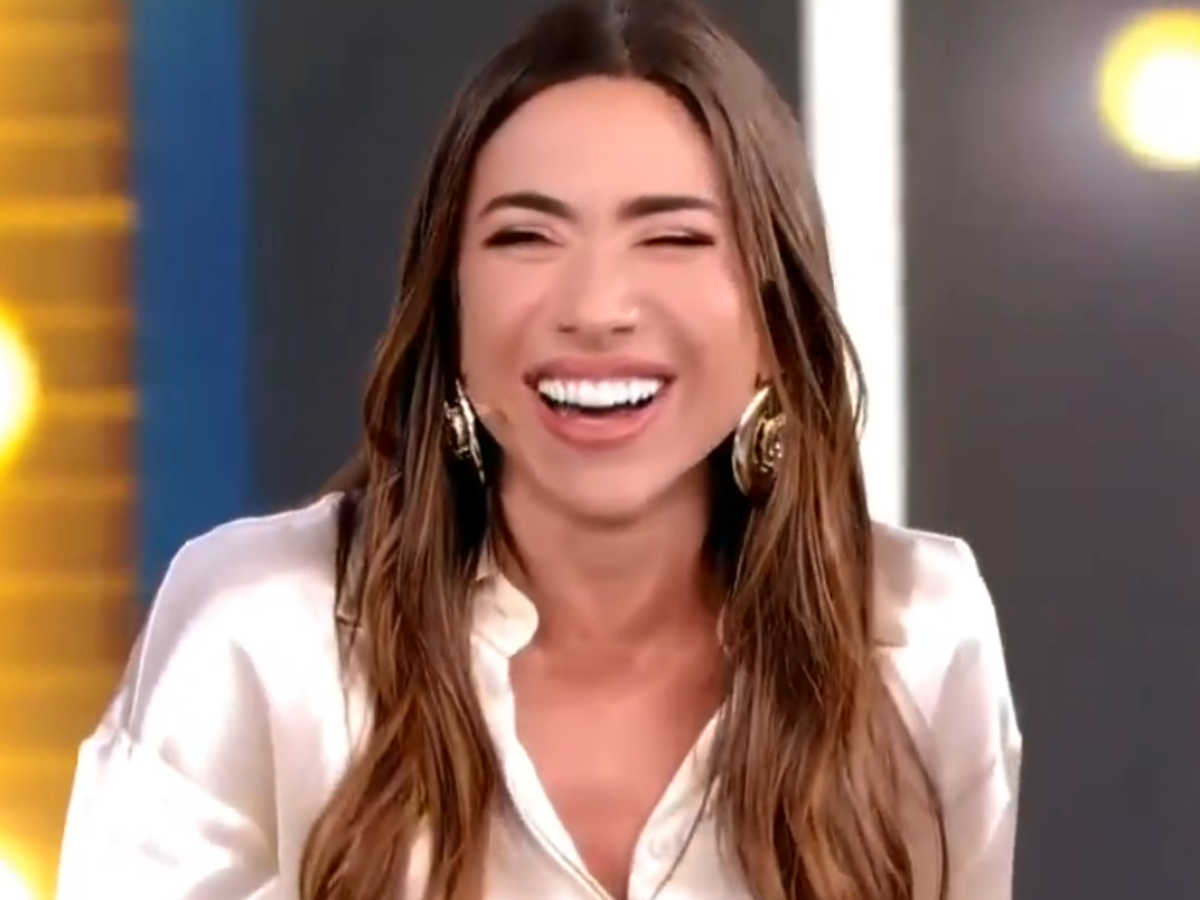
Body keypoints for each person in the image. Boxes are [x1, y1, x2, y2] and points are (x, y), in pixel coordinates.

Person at [55, 0, 1021, 898]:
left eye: (674, 239)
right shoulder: (258, 629)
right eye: (526, 236)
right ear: (450, 307)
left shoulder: (918, 637)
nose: (596, 308)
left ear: (775, 317)